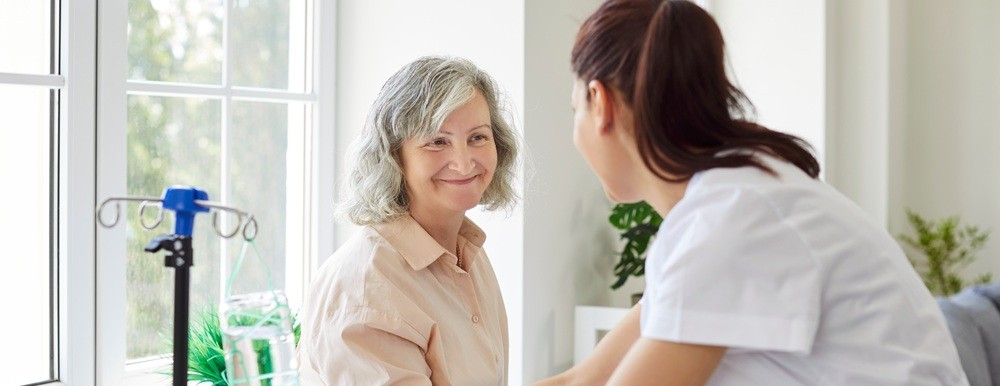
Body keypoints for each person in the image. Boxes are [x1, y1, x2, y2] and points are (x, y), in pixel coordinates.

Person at [537, 1, 968, 385]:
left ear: (600, 103)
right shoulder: (732, 197)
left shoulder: (728, 217)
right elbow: (585, 379)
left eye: (575, 109)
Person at [297, 56, 519, 385]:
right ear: (394, 155)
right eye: (437, 141)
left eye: (478, 138)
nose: (463, 161)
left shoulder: (468, 252)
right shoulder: (366, 290)